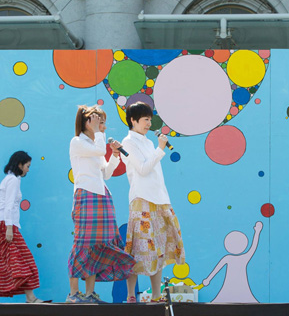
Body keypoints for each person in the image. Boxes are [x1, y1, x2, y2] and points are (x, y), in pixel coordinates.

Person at [67, 105, 135, 303]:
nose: (103, 126)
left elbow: (106, 173)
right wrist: (99, 135)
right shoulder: (77, 142)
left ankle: (89, 294)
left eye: (103, 122)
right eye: (99, 121)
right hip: (86, 196)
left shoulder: (95, 143)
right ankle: (73, 294)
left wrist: (114, 155)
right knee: (82, 243)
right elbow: (97, 149)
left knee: (98, 245)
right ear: (87, 122)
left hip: (101, 195)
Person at [122, 102, 185, 303]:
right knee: (138, 247)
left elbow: (155, 174)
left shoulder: (149, 143)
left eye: (150, 119)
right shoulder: (128, 142)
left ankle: (156, 295)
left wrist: (157, 148)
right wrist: (160, 150)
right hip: (141, 200)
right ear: (133, 120)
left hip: (159, 199)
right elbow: (142, 169)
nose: (149, 123)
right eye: (145, 119)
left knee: (158, 246)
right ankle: (131, 294)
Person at [0, 151, 51, 303]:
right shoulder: (13, 180)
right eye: (27, 166)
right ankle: (31, 297)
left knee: (13, 262)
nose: (28, 170)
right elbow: (8, 204)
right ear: (20, 164)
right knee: (23, 261)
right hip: (7, 225)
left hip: (7, 224)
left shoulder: (11, 179)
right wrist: (9, 228)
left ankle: (31, 297)